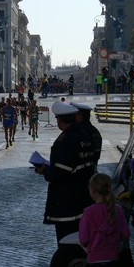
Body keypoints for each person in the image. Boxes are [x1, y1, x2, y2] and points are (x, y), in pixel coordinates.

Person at [35, 101, 96, 247]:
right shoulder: (86, 135)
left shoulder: (65, 140)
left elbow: (61, 172)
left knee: (67, 242)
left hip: (68, 200)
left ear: (60, 120)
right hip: (85, 195)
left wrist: (45, 170)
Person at [79, 173, 130, 267]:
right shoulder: (117, 210)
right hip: (113, 259)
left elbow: (84, 239)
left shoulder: (88, 213)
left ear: (93, 191)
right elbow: (125, 233)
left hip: (95, 261)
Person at [70, 102, 103, 168]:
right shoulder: (95, 131)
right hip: (92, 168)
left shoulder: (78, 131)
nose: (72, 118)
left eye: (74, 115)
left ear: (80, 115)